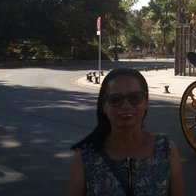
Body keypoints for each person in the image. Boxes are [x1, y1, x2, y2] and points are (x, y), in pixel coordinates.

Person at [68, 68, 184, 196]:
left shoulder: (166, 150)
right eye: (115, 99)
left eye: (135, 97)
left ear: (146, 102)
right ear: (104, 106)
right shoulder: (85, 157)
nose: (126, 105)